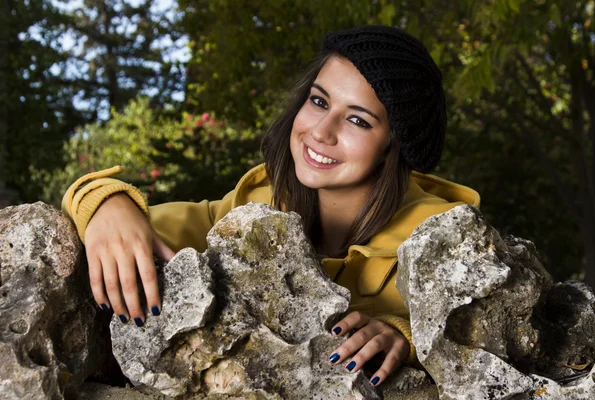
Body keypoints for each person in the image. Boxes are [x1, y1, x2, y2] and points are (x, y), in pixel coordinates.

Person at [61, 25, 480, 387]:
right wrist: (107, 203)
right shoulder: (255, 205)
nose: (320, 131)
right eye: (319, 101)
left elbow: (487, 329)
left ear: (396, 146)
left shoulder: (447, 241)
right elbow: (142, 226)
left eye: (357, 120)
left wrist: (406, 336)